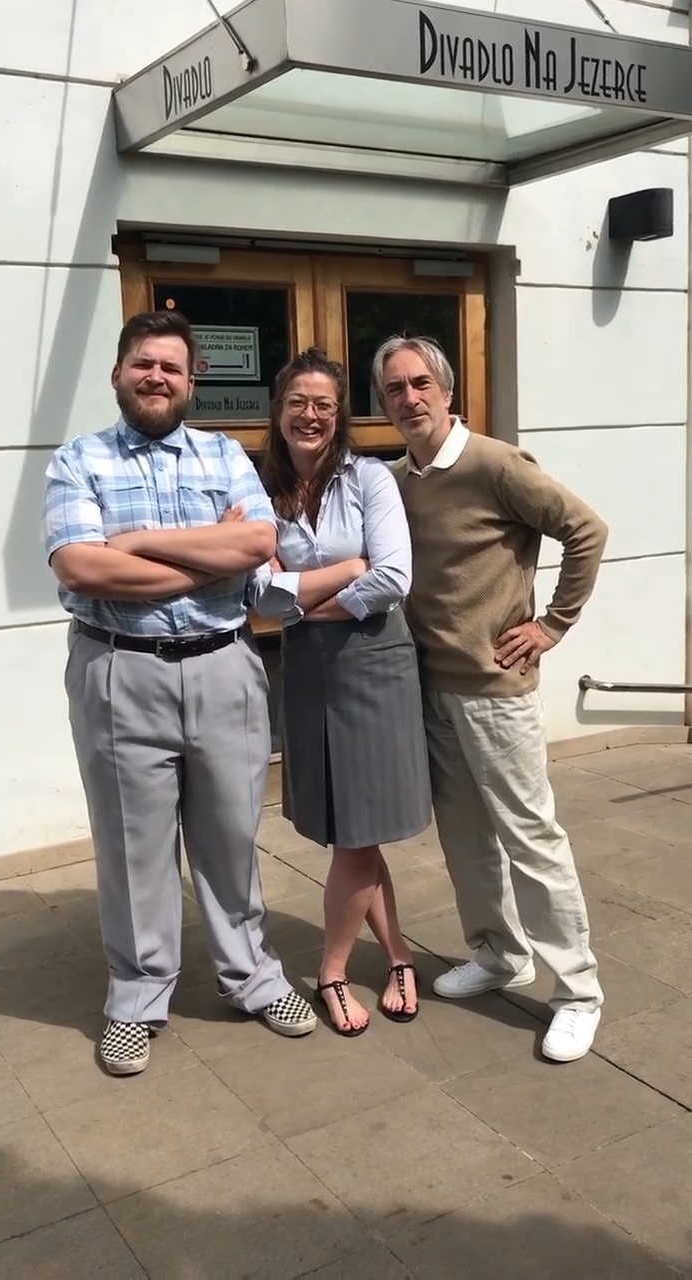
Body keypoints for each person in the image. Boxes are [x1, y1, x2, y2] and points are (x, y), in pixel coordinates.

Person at [42, 310, 317, 1077]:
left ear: (192, 381)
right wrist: (205, 561)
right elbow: (81, 567)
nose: (156, 376)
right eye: (143, 363)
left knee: (230, 836)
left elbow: (258, 542)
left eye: (171, 366)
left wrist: (133, 545)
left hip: (224, 667)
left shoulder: (224, 454)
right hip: (119, 672)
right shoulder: (79, 460)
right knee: (134, 849)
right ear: (118, 374)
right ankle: (136, 997)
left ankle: (252, 977)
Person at [372, 334, 608, 1063]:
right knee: (465, 837)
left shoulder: (495, 464)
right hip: (432, 687)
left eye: (420, 383)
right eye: (394, 388)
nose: (409, 397)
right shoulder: (395, 480)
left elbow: (587, 531)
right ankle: (501, 954)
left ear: (447, 392)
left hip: (496, 692)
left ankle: (578, 993)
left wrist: (552, 625)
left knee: (530, 839)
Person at [254, 347, 432, 1036]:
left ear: (340, 415)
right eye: (298, 402)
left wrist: (303, 601)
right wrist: (347, 570)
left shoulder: (369, 480)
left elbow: (393, 578)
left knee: (356, 835)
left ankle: (330, 970)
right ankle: (399, 956)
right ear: (279, 410)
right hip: (306, 671)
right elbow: (260, 596)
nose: (311, 415)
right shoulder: (261, 490)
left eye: (324, 404)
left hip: (373, 665)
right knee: (350, 832)